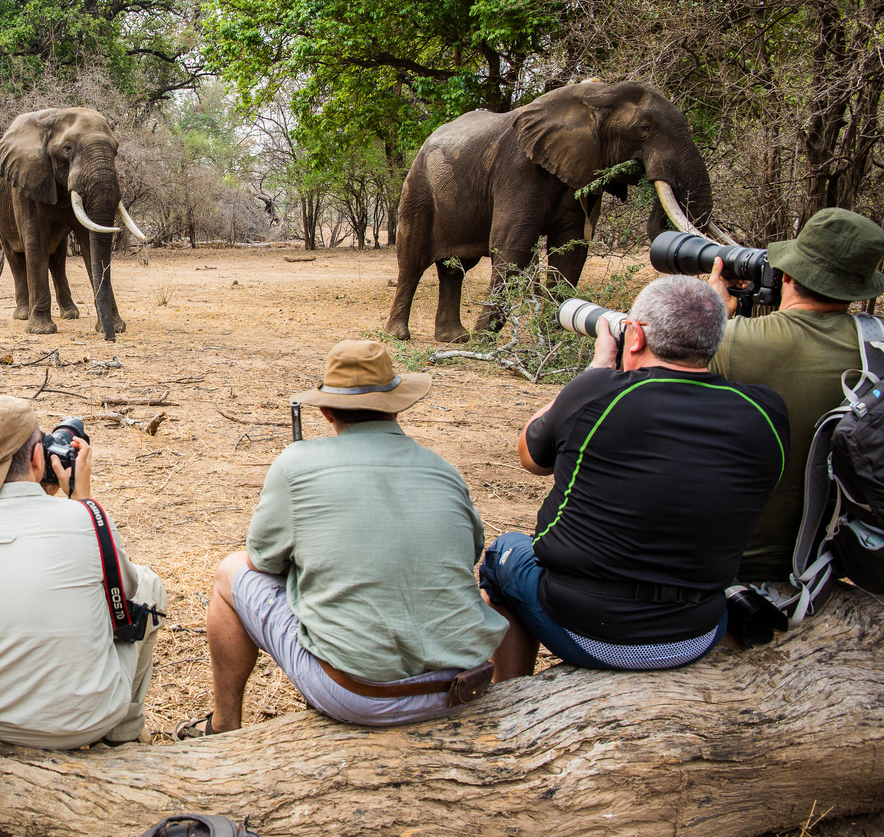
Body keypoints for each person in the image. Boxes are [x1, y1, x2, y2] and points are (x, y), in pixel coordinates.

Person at [182, 341, 505, 737]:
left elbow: (261, 562)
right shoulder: (444, 470)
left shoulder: (296, 465)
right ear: (398, 405)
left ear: (325, 410)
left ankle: (224, 724)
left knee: (229, 572)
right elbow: (468, 553)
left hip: (359, 696)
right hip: (461, 686)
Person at [484, 276, 789, 679]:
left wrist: (594, 369)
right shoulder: (766, 411)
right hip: (696, 630)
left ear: (636, 335)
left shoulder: (598, 392)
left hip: (586, 626)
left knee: (503, 552)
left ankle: (513, 694)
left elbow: (531, 458)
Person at [0, 395, 166, 749]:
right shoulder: (87, 521)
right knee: (147, 585)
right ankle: (124, 734)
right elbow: (124, 592)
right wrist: (82, 501)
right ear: (38, 457)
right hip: (87, 720)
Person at [707, 208, 884, 586]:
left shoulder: (732, 341)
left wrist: (711, 314)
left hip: (734, 565)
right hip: (834, 557)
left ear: (787, 274)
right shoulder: (878, 354)